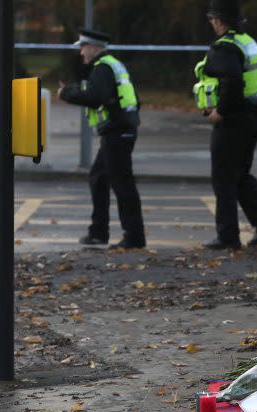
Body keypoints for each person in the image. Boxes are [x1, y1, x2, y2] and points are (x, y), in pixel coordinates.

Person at [194, 0, 257, 250]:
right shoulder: (248, 42)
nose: (211, 22)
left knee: (223, 177)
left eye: (212, 18)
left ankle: (228, 236)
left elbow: (232, 81)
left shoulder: (225, 48)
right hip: (255, 113)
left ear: (220, 21)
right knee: (240, 175)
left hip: (234, 119)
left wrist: (220, 110)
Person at [57, 29, 146, 249]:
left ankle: (133, 237)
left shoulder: (102, 68)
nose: (81, 52)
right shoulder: (110, 65)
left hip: (118, 132)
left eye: (83, 47)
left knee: (122, 184)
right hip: (118, 131)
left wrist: (67, 94)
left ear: (94, 47)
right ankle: (98, 232)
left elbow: (97, 96)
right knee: (99, 178)